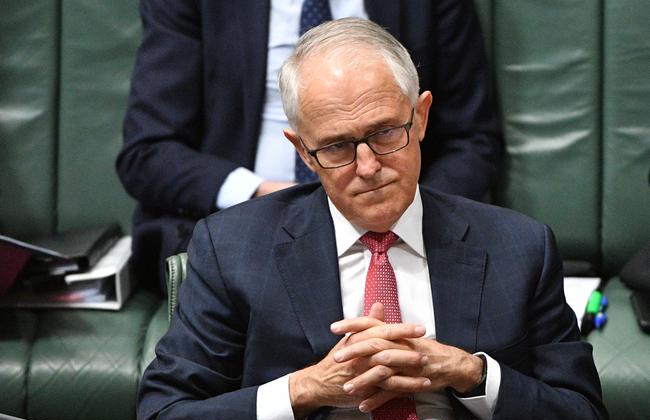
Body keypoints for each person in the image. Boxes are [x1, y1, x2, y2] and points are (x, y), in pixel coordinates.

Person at [134, 18, 607, 420]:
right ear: (302, 150)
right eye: (337, 146)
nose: (367, 167)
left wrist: (469, 373)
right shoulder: (233, 247)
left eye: (384, 134)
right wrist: (305, 389)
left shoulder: (518, 248)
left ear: (420, 117)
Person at [116, 0, 502, 293]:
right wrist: (265, 198)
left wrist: (407, 214)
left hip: (395, 218)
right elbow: (148, 153)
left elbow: (473, 140)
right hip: (247, 223)